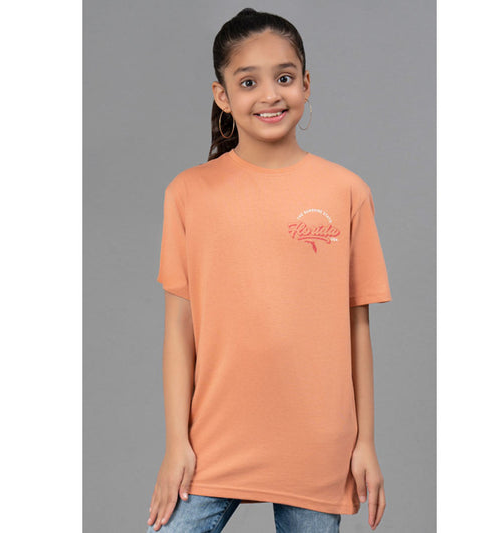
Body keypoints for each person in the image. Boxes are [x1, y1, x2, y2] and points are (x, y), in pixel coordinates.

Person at [146, 7, 392, 533]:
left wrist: (365, 442)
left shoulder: (346, 191)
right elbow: (179, 329)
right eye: (248, 82)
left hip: (318, 444)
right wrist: (175, 444)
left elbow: (356, 327)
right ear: (222, 96)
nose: (270, 95)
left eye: (284, 77)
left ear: (306, 84)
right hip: (214, 440)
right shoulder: (189, 193)